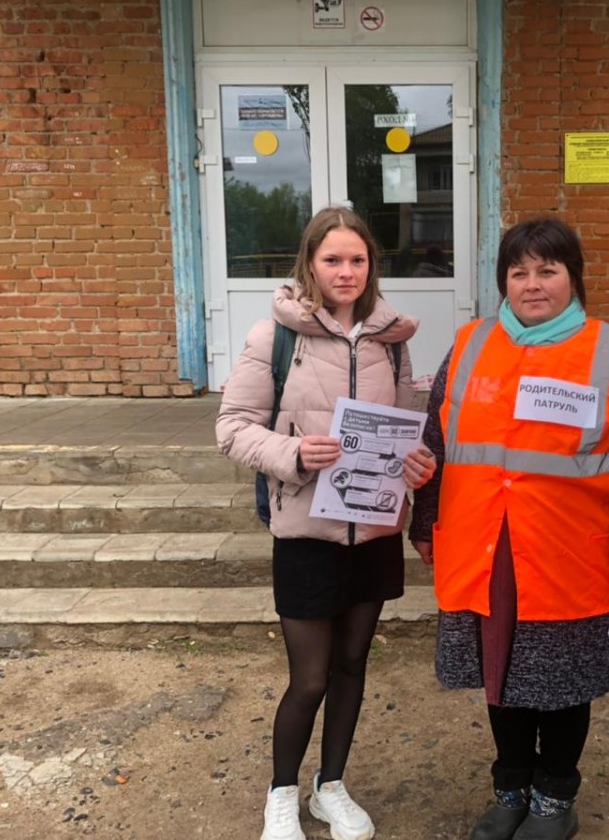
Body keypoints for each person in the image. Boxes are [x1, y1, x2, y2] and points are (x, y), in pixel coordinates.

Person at [409, 217, 609, 840]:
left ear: (573, 277)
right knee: (501, 675)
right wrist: (425, 520)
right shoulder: (469, 344)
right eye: (518, 272)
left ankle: (555, 798)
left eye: (548, 270)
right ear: (503, 281)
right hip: (484, 547)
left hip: (570, 552)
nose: (532, 284)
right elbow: (437, 441)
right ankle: (511, 788)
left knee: (562, 681)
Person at [217, 205, 437, 840]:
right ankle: (281, 795)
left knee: (352, 666)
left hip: (373, 533)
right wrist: (291, 453)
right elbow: (232, 428)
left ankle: (330, 786)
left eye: (357, 260)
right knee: (310, 678)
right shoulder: (274, 337)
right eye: (332, 259)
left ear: (372, 266)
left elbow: (405, 432)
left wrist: (417, 465)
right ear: (309, 263)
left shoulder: (392, 341)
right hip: (306, 534)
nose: (346, 271)